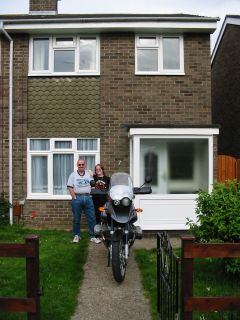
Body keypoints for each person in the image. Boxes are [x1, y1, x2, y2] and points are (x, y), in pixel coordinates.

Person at [67, 159, 101, 244]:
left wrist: (92, 175)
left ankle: (93, 236)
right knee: (76, 218)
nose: (81, 166)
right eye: (79, 165)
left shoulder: (88, 174)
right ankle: (76, 235)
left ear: (84, 165)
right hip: (77, 198)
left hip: (88, 198)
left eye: (82, 164)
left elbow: (93, 183)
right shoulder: (73, 175)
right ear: (77, 165)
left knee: (92, 218)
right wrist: (74, 197)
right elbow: (70, 187)